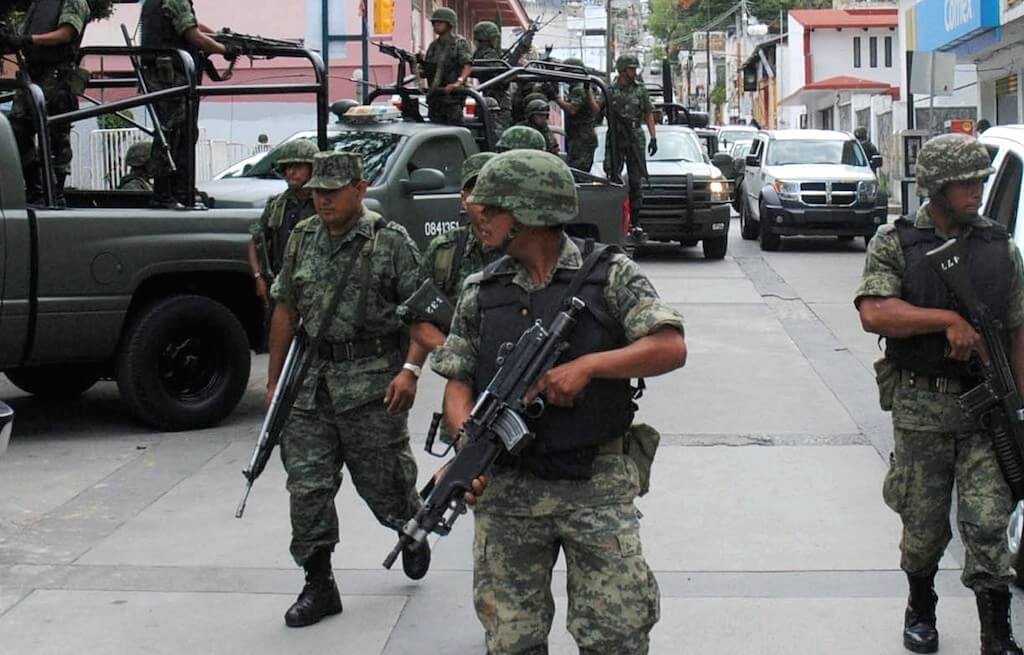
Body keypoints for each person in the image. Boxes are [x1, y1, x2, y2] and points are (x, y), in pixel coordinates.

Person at [431, 149, 687, 653]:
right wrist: (467, 446)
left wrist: (589, 366)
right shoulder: (481, 290)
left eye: (492, 208)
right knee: (511, 640)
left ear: (529, 213)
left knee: (616, 634)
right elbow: (457, 379)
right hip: (508, 494)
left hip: (596, 482)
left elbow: (670, 346)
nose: (477, 216)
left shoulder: (610, 274)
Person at [855, 133, 1024, 655]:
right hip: (922, 408)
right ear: (936, 187)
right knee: (924, 524)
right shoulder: (896, 242)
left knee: (988, 522)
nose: (976, 190)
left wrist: (1019, 403)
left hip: (986, 410)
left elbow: (1018, 329)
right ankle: (921, 608)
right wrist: (946, 320)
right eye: (965, 183)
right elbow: (874, 312)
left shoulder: (999, 247)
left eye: (979, 181)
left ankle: (997, 632)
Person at [268, 151, 431, 628]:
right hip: (311, 387)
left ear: (360, 190)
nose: (322, 200)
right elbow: (285, 307)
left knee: (386, 487)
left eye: (332, 192)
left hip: (371, 387)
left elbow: (423, 314)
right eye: (317, 192)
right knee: (307, 487)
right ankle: (319, 584)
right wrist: (275, 378)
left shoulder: (389, 242)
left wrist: (410, 370)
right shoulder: (302, 238)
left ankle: (412, 526)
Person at [0, 0, 114, 205]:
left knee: (56, 140)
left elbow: (66, 33)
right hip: (31, 78)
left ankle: (54, 194)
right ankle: (35, 188)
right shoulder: (40, 3)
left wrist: (26, 40)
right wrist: (11, 39)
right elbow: (24, 36)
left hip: (56, 77)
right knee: (17, 131)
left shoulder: (73, 2)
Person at [139, 0, 240, 208]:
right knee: (173, 135)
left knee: (182, 133)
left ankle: (179, 189)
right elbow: (192, 35)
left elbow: (192, 27)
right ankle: (165, 193)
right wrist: (224, 49)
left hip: (165, 76)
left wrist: (217, 38)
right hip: (170, 78)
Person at [248, 139, 318, 312]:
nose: (291, 172)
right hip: (281, 287)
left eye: (297, 167)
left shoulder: (323, 204)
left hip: (315, 288)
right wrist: (258, 277)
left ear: (313, 169)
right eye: (287, 167)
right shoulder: (276, 205)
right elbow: (254, 242)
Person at [605, 54, 656, 214]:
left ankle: (636, 221)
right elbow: (596, 109)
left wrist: (653, 137)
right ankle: (616, 216)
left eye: (634, 68)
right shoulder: (610, 90)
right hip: (616, 137)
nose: (634, 72)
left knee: (635, 181)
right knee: (613, 178)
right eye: (631, 69)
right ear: (622, 70)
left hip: (635, 137)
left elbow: (648, 113)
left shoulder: (640, 90)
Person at [419, 7, 472, 125]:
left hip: (452, 98)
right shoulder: (433, 46)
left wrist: (457, 83)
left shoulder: (458, 43)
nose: (436, 25)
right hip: (435, 98)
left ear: (449, 24)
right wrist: (415, 64)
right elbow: (426, 72)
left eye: (440, 22)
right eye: (434, 23)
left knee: (454, 130)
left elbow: (467, 65)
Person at [556, 57, 603, 171]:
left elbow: (572, 109)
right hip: (580, 137)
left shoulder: (579, 88)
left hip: (581, 139)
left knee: (578, 173)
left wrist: (555, 98)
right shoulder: (578, 87)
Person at [471, 20, 511, 130]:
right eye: (494, 38)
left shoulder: (476, 54)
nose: (496, 41)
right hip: (498, 101)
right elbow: (500, 76)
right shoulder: (489, 54)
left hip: (487, 98)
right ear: (488, 39)